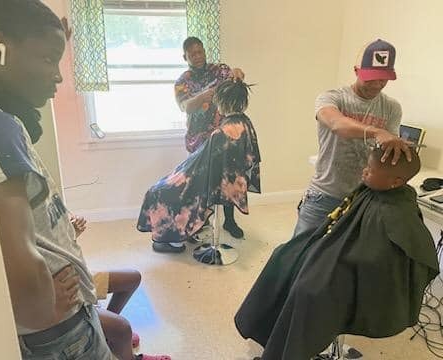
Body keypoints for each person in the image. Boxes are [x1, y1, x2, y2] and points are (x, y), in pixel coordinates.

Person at [0, 0, 112, 358]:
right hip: (61, 331)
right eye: (48, 60)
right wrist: (41, 300)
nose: (59, 76)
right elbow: (25, 282)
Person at [235, 147, 439, 360]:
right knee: (283, 257)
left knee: (307, 289)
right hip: (335, 247)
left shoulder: (397, 212)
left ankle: (289, 353)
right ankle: (272, 339)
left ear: (395, 182)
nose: (364, 171)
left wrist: (337, 257)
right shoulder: (373, 190)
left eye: (370, 169)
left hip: (355, 268)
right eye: (367, 166)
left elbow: (379, 258)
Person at [294, 39, 413, 237]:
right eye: (371, 78)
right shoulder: (332, 98)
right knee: (300, 252)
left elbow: (386, 150)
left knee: (343, 259)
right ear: (357, 70)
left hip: (364, 197)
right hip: (325, 194)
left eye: (382, 79)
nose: (376, 85)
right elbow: (337, 124)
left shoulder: (392, 107)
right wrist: (376, 131)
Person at [139, 79, 261, 253]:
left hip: (208, 182)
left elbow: (200, 167)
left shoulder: (222, 132)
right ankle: (185, 231)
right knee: (167, 184)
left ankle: (174, 241)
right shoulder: (244, 123)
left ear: (222, 102)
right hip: (223, 179)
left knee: (159, 191)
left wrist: (179, 175)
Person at [70, 216, 171, 360]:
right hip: (65, 287)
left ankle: (106, 335)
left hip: (79, 274)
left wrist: (72, 234)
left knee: (132, 278)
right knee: (122, 328)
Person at [175, 36, 246, 239]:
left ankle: (229, 220)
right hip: (199, 138)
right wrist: (204, 95)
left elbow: (234, 78)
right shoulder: (182, 82)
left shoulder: (220, 70)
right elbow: (184, 106)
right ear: (185, 56)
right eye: (192, 54)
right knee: (203, 181)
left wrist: (238, 74)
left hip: (224, 134)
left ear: (205, 51)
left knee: (229, 176)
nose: (198, 56)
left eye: (200, 51)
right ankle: (202, 219)